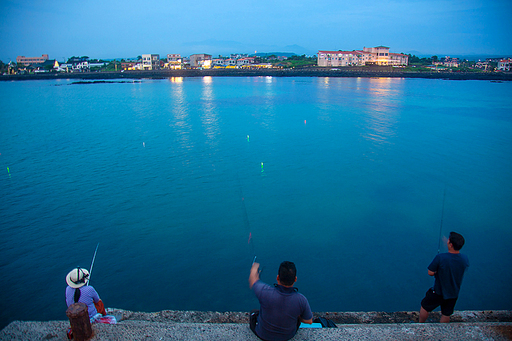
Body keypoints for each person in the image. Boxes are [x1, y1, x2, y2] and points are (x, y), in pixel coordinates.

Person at [249, 261, 313, 341]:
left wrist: (254, 268)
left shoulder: (265, 292)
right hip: (288, 336)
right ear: (295, 279)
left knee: (253, 312)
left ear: (277, 277)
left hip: (262, 335)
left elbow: (253, 280)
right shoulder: (301, 300)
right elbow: (309, 321)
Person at [419, 231, 469, 323]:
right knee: (446, 313)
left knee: (425, 307)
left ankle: (420, 324)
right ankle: (443, 330)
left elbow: (430, 272)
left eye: (448, 240)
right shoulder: (464, 259)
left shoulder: (440, 257)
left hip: (438, 291)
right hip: (453, 293)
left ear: (450, 244)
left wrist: (438, 272)